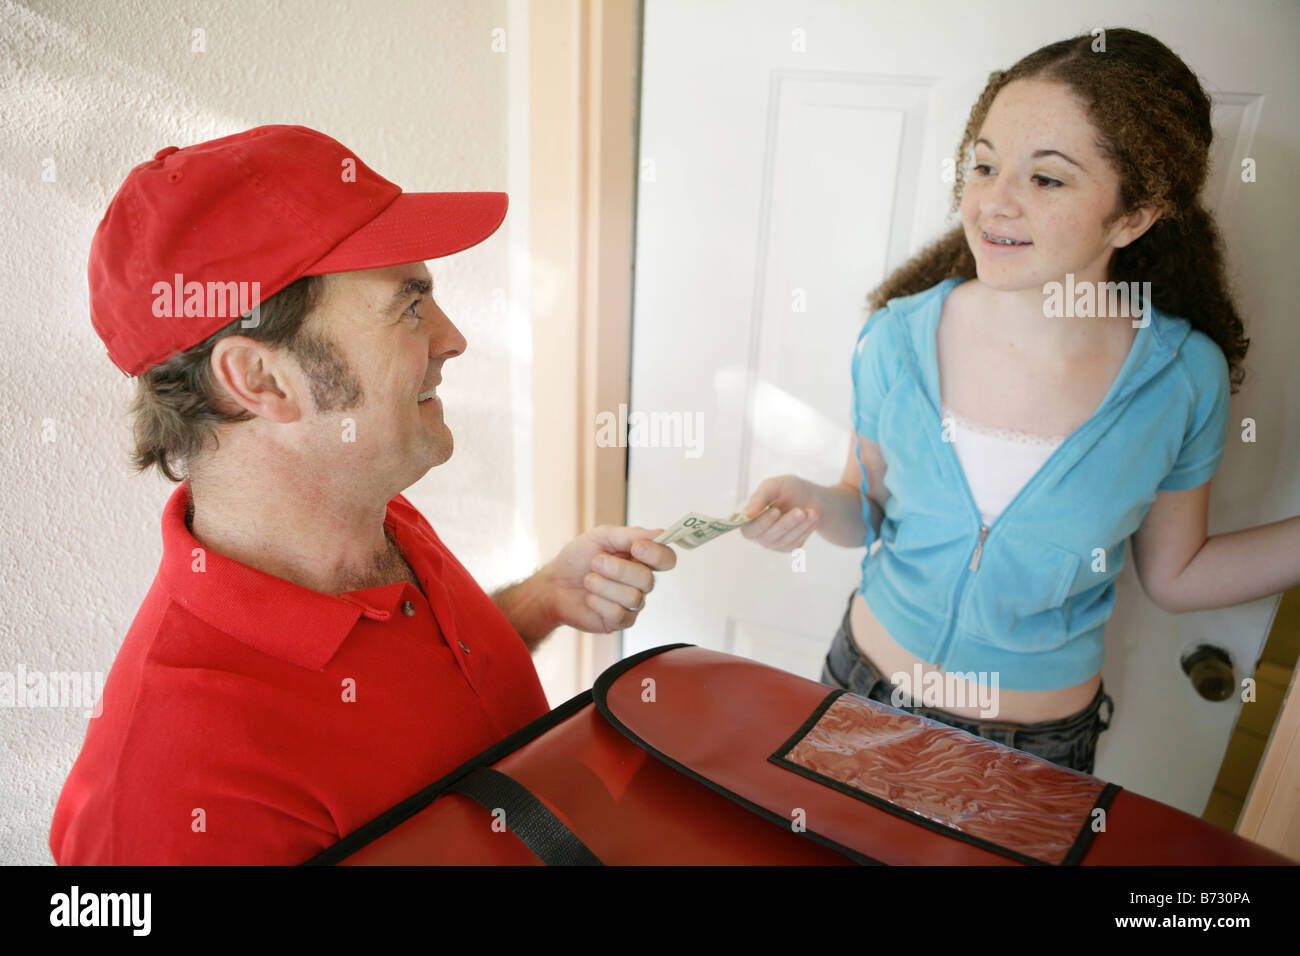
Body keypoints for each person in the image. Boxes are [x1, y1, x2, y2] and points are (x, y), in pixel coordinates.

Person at [50, 125, 676, 864]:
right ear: (262, 380)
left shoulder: (373, 514)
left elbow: (418, 710)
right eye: (409, 306)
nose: (452, 339)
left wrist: (539, 601)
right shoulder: (163, 798)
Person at [739, 28, 1300, 774]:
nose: (993, 202)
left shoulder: (1181, 379)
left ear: (1133, 216)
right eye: (984, 164)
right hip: (857, 690)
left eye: (1047, 179)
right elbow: (865, 506)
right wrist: (810, 503)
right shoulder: (897, 337)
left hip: (1031, 750)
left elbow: (1176, 573)